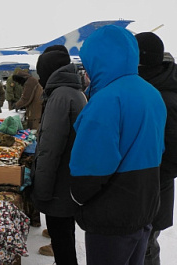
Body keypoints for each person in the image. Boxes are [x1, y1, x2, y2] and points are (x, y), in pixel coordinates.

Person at [69, 25, 167, 265]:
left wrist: (77, 196)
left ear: (98, 59)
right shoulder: (152, 93)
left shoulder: (107, 100)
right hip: (144, 207)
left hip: (111, 216)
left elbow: (91, 168)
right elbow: (159, 148)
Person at [31, 45, 87, 264]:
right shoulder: (72, 92)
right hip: (67, 182)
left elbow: (50, 150)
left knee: (62, 244)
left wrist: (41, 193)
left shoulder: (61, 97)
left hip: (58, 188)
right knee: (65, 239)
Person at [135, 32, 177, 265]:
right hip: (145, 189)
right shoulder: (153, 86)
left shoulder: (163, 96)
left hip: (152, 191)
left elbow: (173, 155)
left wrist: (150, 178)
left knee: (146, 248)